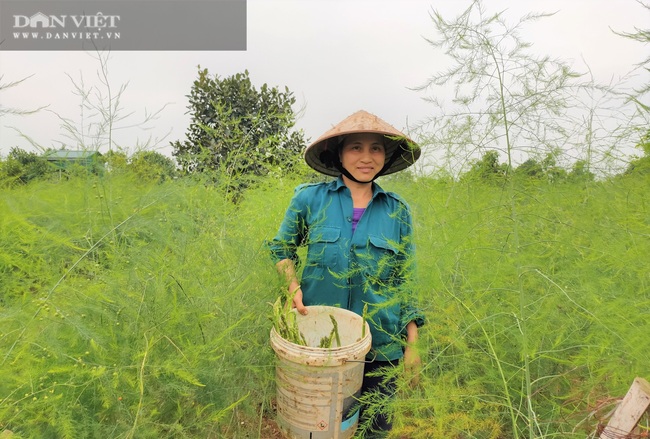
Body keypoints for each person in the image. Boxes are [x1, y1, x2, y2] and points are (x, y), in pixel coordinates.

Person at [267, 110, 425, 437]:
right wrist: (292, 286)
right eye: (355, 147)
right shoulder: (309, 199)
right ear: (338, 154)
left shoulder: (397, 210)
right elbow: (281, 248)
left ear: (386, 155)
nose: (366, 157)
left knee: (376, 428)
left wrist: (413, 345)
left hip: (382, 345)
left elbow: (406, 279)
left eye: (376, 148)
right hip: (322, 342)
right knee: (322, 428)